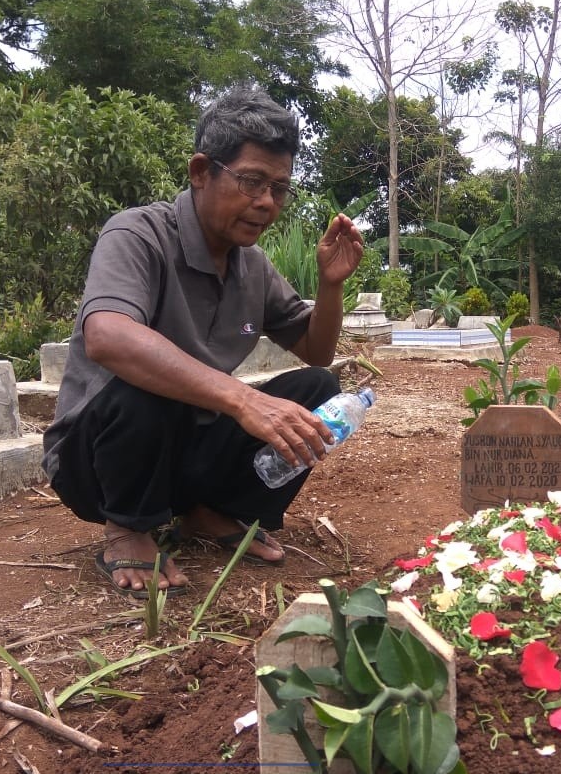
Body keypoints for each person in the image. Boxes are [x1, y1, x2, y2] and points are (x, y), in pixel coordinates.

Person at [41, 85, 364, 598]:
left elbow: (315, 350)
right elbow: (106, 337)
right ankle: (128, 525)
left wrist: (331, 285)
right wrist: (243, 398)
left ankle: (207, 511)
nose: (266, 203)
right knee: (148, 375)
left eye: (279, 189)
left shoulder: (250, 265)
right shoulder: (138, 233)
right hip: (97, 461)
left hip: (181, 450)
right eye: (252, 181)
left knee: (319, 388)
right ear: (200, 172)